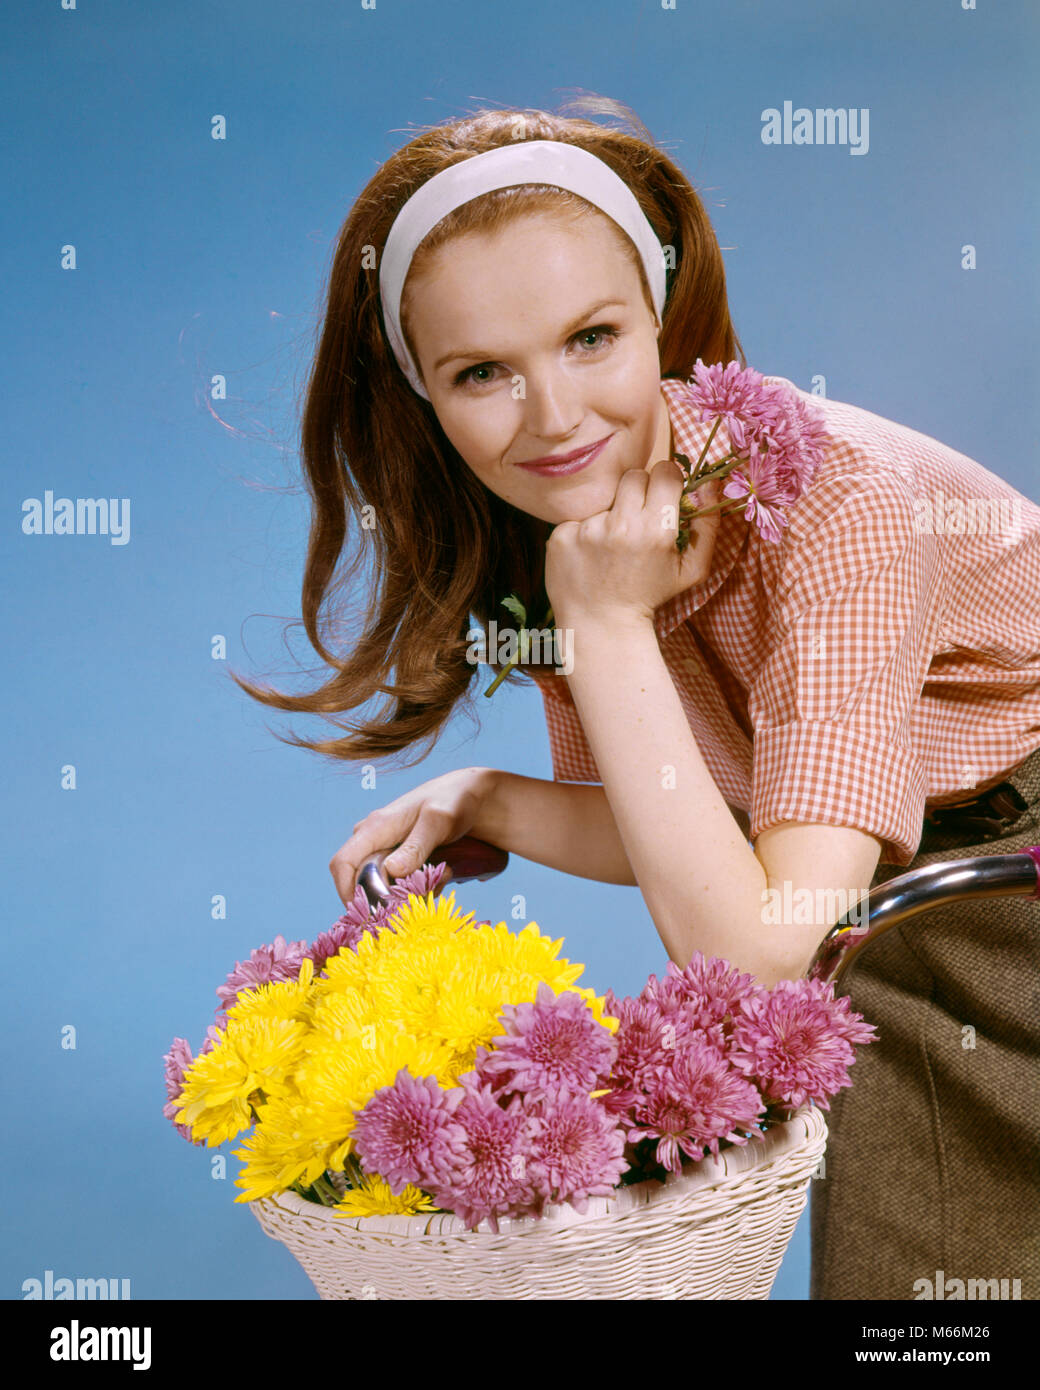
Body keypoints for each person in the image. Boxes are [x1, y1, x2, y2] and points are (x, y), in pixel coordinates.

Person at [228, 98, 1040, 1300]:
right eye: (482, 372)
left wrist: (603, 627)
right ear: (424, 399)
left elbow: (759, 954)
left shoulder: (841, 509)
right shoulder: (585, 527)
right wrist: (498, 800)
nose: (554, 418)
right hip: (891, 917)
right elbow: (716, 843)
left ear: (656, 314)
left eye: (591, 338)